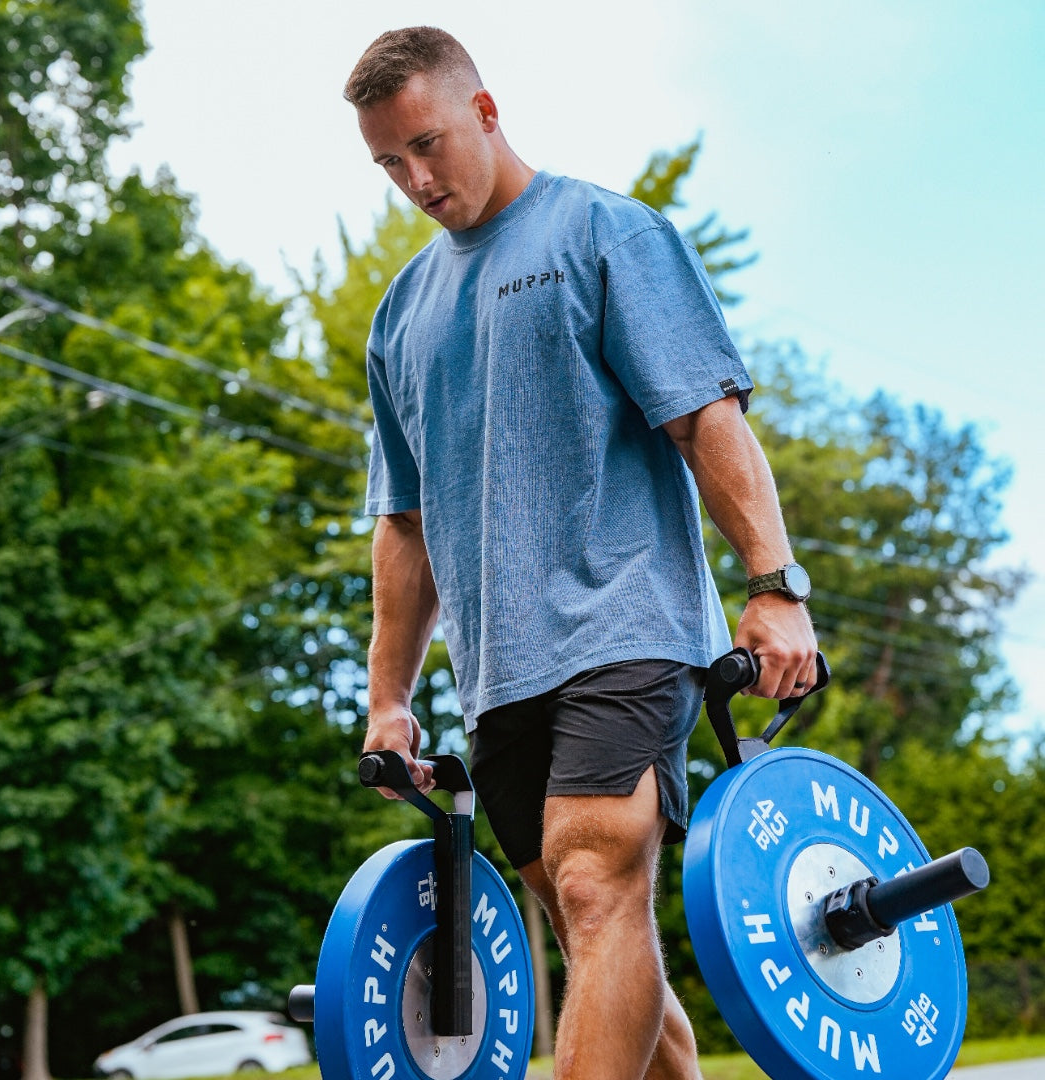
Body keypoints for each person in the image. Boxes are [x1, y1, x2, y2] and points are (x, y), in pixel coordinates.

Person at [344, 26, 817, 1080]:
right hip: (499, 670)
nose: (415, 179)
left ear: (486, 110)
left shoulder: (605, 230)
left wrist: (775, 587)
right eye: (387, 163)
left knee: (601, 886)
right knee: (583, 919)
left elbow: (708, 419)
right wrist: (389, 698)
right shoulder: (399, 316)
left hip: (628, 625)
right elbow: (404, 524)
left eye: (427, 144)